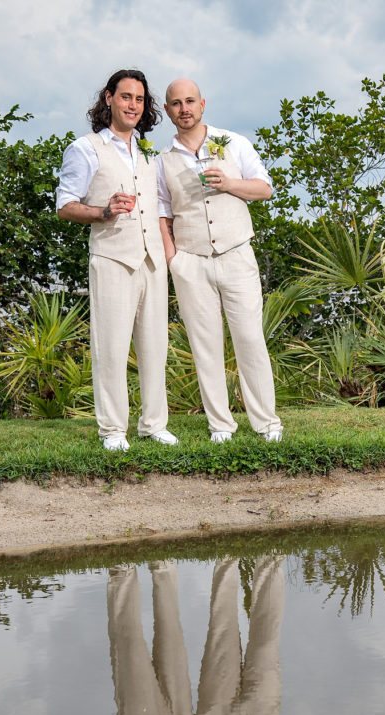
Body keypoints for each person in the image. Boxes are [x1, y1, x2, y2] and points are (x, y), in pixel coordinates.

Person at [56, 69, 178, 452]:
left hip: (152, 261)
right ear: (108, 99)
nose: (133, 105)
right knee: (110, 348)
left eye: (140, 100)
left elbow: (160, 208)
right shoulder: (86, 148)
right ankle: (112, 431)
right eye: (126, 97)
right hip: (111, 258)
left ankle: (154, 425)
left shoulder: (148, 153)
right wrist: (103, 212)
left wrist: (169, 254)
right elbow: (64, 205)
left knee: (155, 346)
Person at [157, 79, 283, 443]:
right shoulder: (162, 160)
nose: (184, 108)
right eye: (176, 103)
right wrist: (174, 260)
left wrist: (228, 183)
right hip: (191, 262)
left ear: (203, 104)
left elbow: (264, 188)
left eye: (190, 101)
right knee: (205, 345)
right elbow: (163, 214)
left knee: (249, 339)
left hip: (236, 254)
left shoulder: (234, 143)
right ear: (168, 110)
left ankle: (267, 424)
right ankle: (220, 426)